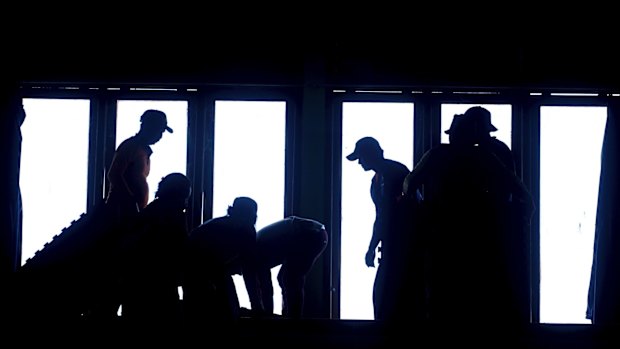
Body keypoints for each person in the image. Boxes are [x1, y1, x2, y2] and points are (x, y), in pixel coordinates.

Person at [402, 113, 534, 325]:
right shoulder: (486, 155)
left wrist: (418, 210)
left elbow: (410, 182)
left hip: (445, 235)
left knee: (443, 294)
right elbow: (519, 191)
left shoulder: (439, 154)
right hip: (481, 235)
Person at [88, 109, 173, 320]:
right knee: (119, 266)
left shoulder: (142, 151)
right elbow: (114, 175)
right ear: (147, 126)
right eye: (159, 131)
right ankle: (104, 313)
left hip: (129, 216)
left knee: (126, 268)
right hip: (120, 216)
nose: (160, 136)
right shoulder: (131, 147)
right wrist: (130, 204)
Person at [346, 136, 410, 321]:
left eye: (360, 158)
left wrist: (372, 247)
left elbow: (385, 214)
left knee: (385, 295)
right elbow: (382, 215)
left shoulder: (387, 175)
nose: (359, 163)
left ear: (370, 155)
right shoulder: (383, 176)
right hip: (398, 243)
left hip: (402, 244)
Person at [118, 172, 191, 326]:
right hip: (160, 284)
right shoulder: (173, 215)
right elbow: (179, 250)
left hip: (137, 285)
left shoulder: (151, 211)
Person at [182, 196, 262, 323]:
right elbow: (249, 272)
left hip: (190, 270)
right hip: (205, 271)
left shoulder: (217, 224)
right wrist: (257, 306)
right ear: (253, 216)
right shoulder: (246, 231)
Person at [247, 216, 328, 319]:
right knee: (287, 278)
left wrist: (264, 315)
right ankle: (291, 317)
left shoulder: (255, 254)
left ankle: (293, 320)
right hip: (315, 233)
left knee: (290, 279)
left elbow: (265, 286)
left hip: (308, 234)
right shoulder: (257, 247)